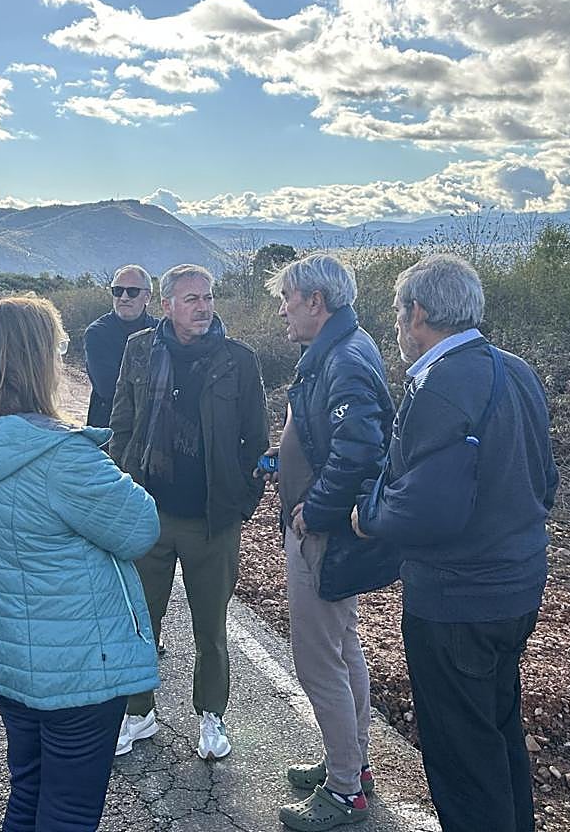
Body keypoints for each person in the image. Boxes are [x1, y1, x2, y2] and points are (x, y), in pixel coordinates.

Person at [0, 295, 160, 831]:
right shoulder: (61, 455)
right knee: (71, 809)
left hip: (6, 655)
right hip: (76, 666)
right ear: (40, 360)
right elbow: (140, 528)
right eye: (58, 347)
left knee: (30, 787)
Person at [353, 255, 559, 832]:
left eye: (398, 314)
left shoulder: (439, 386)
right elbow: (546, 479)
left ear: (417, 313)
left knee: (462, 757)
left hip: (456, 601)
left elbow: (425, 510)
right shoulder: (514, 369)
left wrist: (366, 517)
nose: (396, 326)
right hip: (517, 588)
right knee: (496, 730)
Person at [109, 263, 269, 760]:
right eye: (192, 299)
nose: (204, 307)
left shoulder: (238, 360)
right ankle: (139, 712)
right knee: (141, 619)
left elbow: (257, 443)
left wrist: (241, 505)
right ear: (167, 305)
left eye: (209, 297)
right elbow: (122, 424)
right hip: (148, 515)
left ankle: (212, 715)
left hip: (211, 519)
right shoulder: (139, 351)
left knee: (211, 628)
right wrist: (121, 492)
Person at [260, 255, 395, 830]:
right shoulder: (339, 349)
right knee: (342, 650)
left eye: (288, 299)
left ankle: (344, 792)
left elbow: (359, 451)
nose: (282, 310)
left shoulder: (343, 358)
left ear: (316, 300)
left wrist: (313, 512)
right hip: (326, 530)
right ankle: (352, 764)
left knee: (318, 662)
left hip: (324, 535)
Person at [83, 264, 157, 428]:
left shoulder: (160, 331)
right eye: (117, 290)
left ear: (147, 297)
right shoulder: (97, 333)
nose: (124, 297)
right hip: (108, 429)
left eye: (132, 291)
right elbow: (107, 389)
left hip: (151, 428)